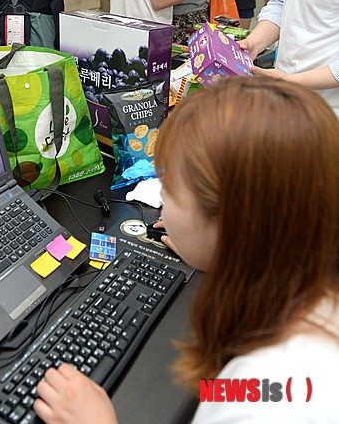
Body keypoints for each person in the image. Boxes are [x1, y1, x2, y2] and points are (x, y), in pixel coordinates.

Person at [32, 77, 339, 424]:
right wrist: (211, 250)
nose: (162, 200)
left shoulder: (262, 401)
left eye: (172, 189)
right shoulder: (310, 295)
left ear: (231, 224)